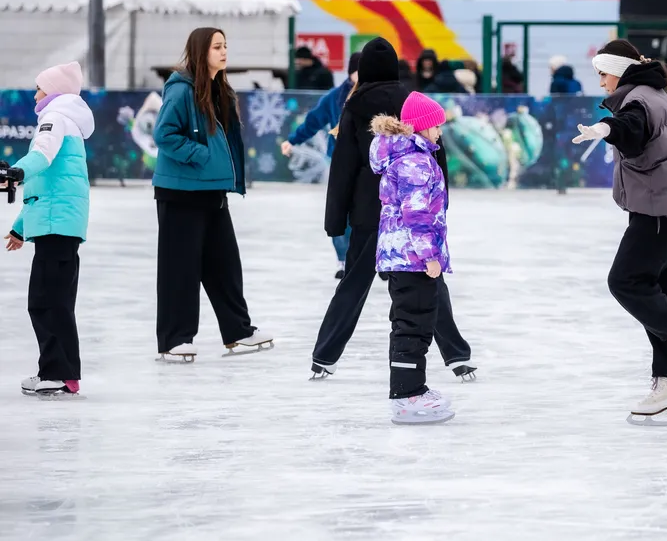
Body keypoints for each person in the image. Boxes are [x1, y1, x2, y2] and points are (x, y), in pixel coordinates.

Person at [312, 37, 476, 382]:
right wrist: (438, 204)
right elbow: (437, 153)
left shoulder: (355, 105)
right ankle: (457, 356)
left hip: (368, 213)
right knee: (430, 282)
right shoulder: (413, 103)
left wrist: (334, 220)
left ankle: (323, 356)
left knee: (353, 285)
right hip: (409, 213)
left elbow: (342, 166)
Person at [571, 39, 667, 421]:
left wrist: (606, 127)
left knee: (627, 281)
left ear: (618, 69)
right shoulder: (654, 94)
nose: (601, 82)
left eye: (603, 73)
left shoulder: (638, 99)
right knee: (663, 292)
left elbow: (630, 127)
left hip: (659, 209)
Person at [152, 27, 273, 362]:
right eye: (217, 47)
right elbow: (164, 134)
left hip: (212, 191)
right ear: (200, 51)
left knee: (224, 265)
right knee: (181, 268)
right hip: (180, 192)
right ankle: (175, 338)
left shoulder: (220, 90)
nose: (224, 52)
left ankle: (238, 331)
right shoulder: (182, 91)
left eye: (225, 46)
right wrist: (201, 156)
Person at [2, 62, 93, 398]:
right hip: (60, 222)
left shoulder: (54, 117)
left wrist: (14, 172)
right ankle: (65, 373)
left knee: (46, 301)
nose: (35, 94)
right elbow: (47, 186)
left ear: (54, 91)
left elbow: (40, 155)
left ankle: (55, 372)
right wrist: (20, 228)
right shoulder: (67, 119)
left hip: (56, 224)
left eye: (40, 88)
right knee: (56, 300)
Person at [370, 93, 455, 424]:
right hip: (412, 258)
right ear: (422, 126)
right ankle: (407, 395)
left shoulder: (413, 158)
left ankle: (411, 387)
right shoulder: (414, 164)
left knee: (413, 322)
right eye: (436, 125)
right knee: (413, 324)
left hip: (405, 257)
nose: (440, 131)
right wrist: (430, 256)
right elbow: (416, 214)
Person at [282, 52, 362, 278]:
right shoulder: (335, 98)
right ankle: (343, 259)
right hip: (340, 162)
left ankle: (373, 259)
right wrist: (293, 140)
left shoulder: (374, 96)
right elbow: (313, 121)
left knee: (368, 213)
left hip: (369, 165)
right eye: (358, 71)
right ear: (350, 73)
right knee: (340, 213)